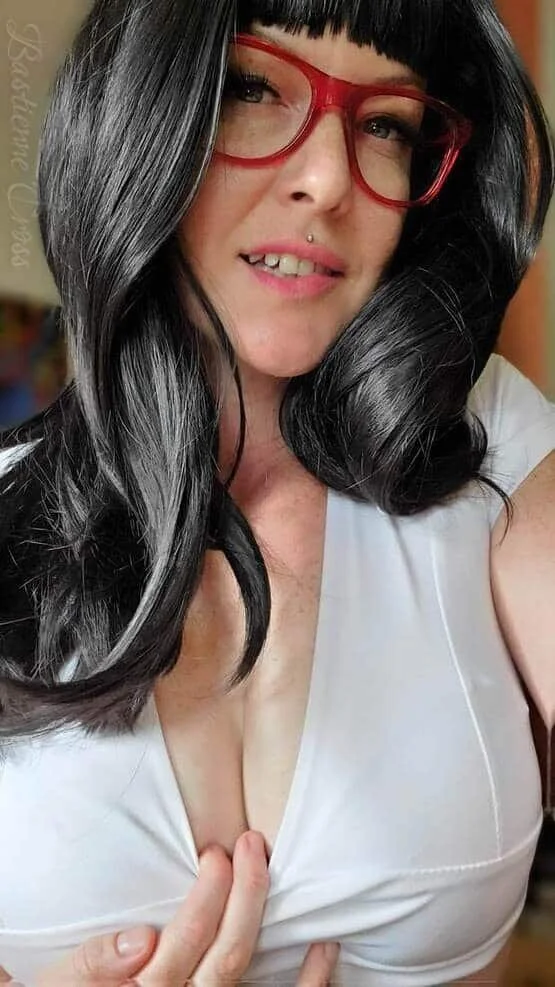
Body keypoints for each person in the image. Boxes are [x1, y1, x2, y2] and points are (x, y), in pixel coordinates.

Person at [0, 0, 554, 983]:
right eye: (253, 88)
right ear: (140, 114)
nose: (330, 179)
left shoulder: (495, 442)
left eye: (386, 124)